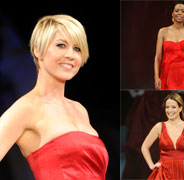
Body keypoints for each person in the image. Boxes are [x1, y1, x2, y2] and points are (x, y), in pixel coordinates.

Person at [0, 14, 108, 179]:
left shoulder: (79, 110)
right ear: (38, 50)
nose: (70, 55)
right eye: (61, 45)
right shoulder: (26, 108)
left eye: (77, 48)